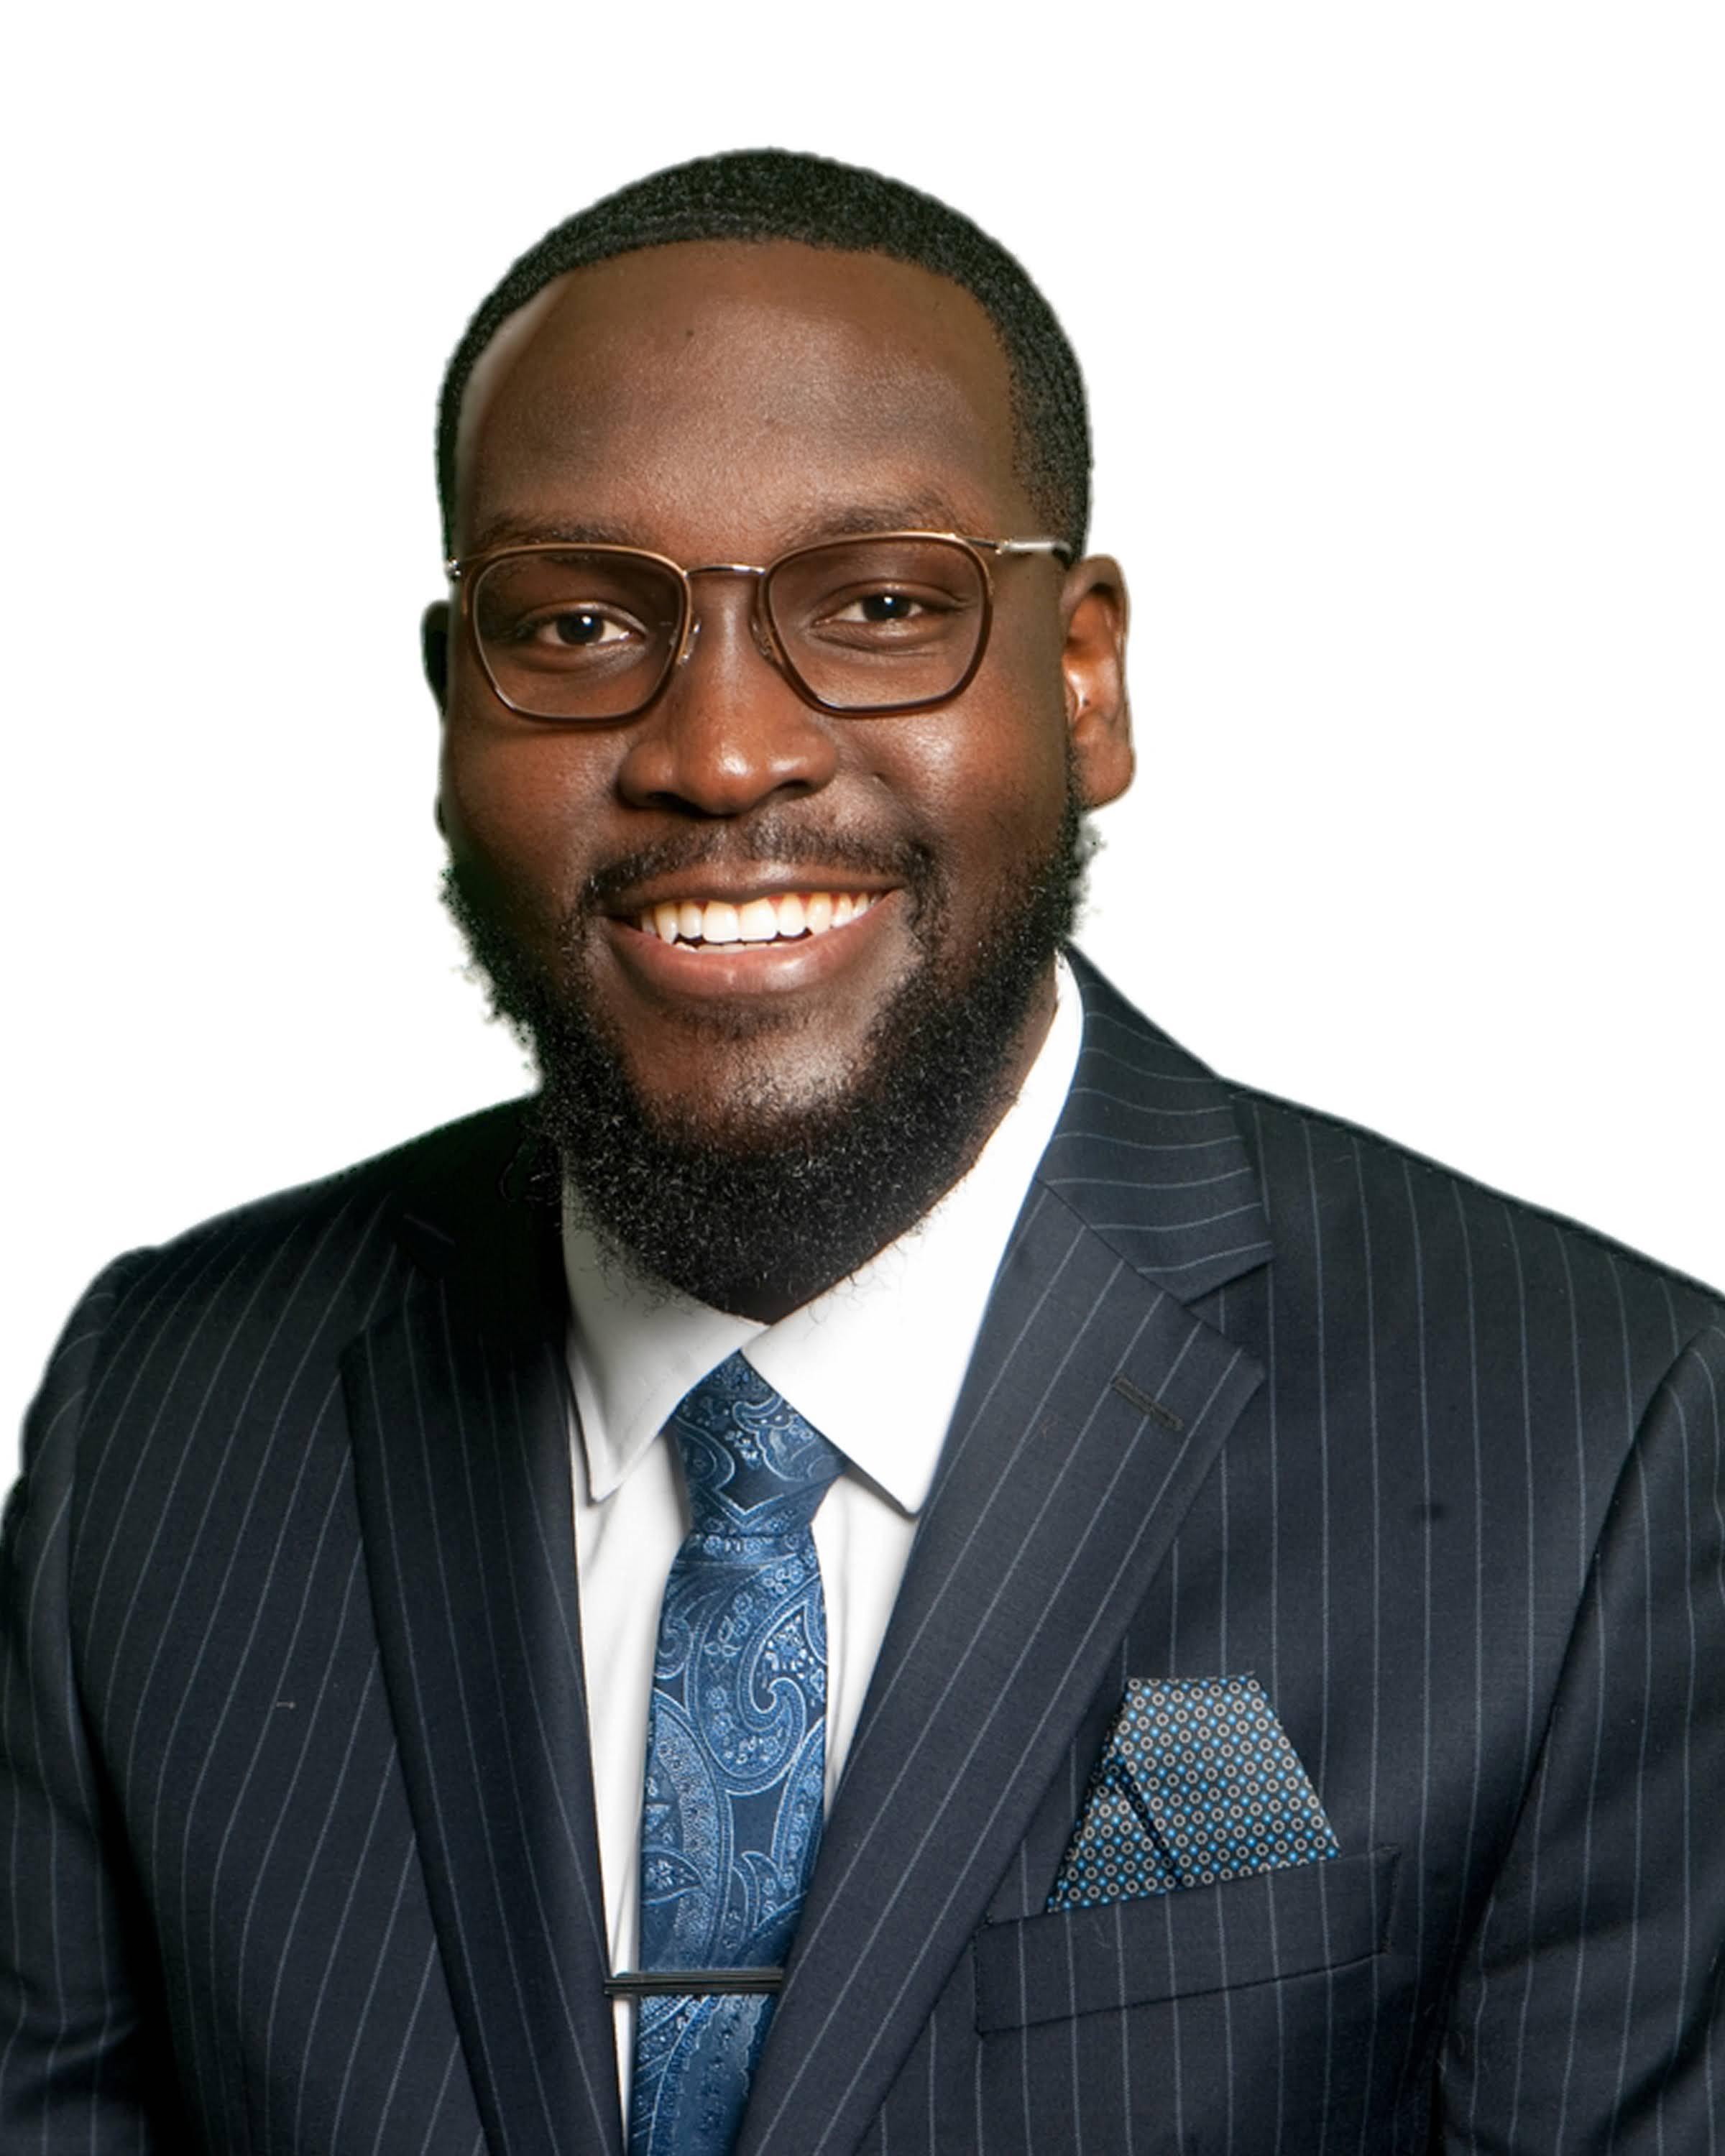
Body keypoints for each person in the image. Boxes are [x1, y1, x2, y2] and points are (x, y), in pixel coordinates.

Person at [1, 147, 1719, 2156]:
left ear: (1084, 678)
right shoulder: (164, 1419)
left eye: (883, 606)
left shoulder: (1594, 1444)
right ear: (453, 702)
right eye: (573, 622)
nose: (721, 752)